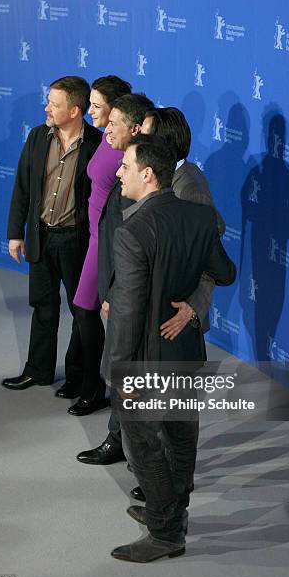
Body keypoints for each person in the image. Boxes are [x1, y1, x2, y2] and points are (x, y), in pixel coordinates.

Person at [105, 134, 236, 562]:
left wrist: (118, 371)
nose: (118, 172)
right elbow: (226, 272)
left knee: (143, 445)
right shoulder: (200, 218)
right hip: (185, 351)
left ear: (148, 174)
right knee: (181, 437)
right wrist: (191, 306)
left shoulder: (132, 231)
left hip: (146, 360)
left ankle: (165, 532)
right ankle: (172, 514)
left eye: (125, 165)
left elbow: (126, 312)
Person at [76, 106, 225, 481]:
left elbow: (211, 249)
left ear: (165, 143)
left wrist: (193, 308)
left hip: (168, 320)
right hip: (139, 303)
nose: (140, 132)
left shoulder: (188, 183)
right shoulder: (141, 174)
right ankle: (134, 456)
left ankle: (164, 493)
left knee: (167, 415)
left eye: (148, 130)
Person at [2, 76, 101, 393]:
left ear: (74, 110)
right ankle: (38, 371)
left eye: (54, 104)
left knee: (80, 312)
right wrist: (16, 233)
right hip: (41, 236)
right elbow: (22, 187)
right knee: (43, 306)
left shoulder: (97, 144)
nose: (47, 107)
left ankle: (76, 378)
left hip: (76, 241)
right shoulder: (36, 137)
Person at [62, 76, 132, 416]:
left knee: (86, 310)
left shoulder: (123, 144)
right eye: (89, 104)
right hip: (92, 234)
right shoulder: (105, 137)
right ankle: (86, 383)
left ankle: (95, 389)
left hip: (106, 239)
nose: (90, 112)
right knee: (83, 311)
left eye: (97, 106)